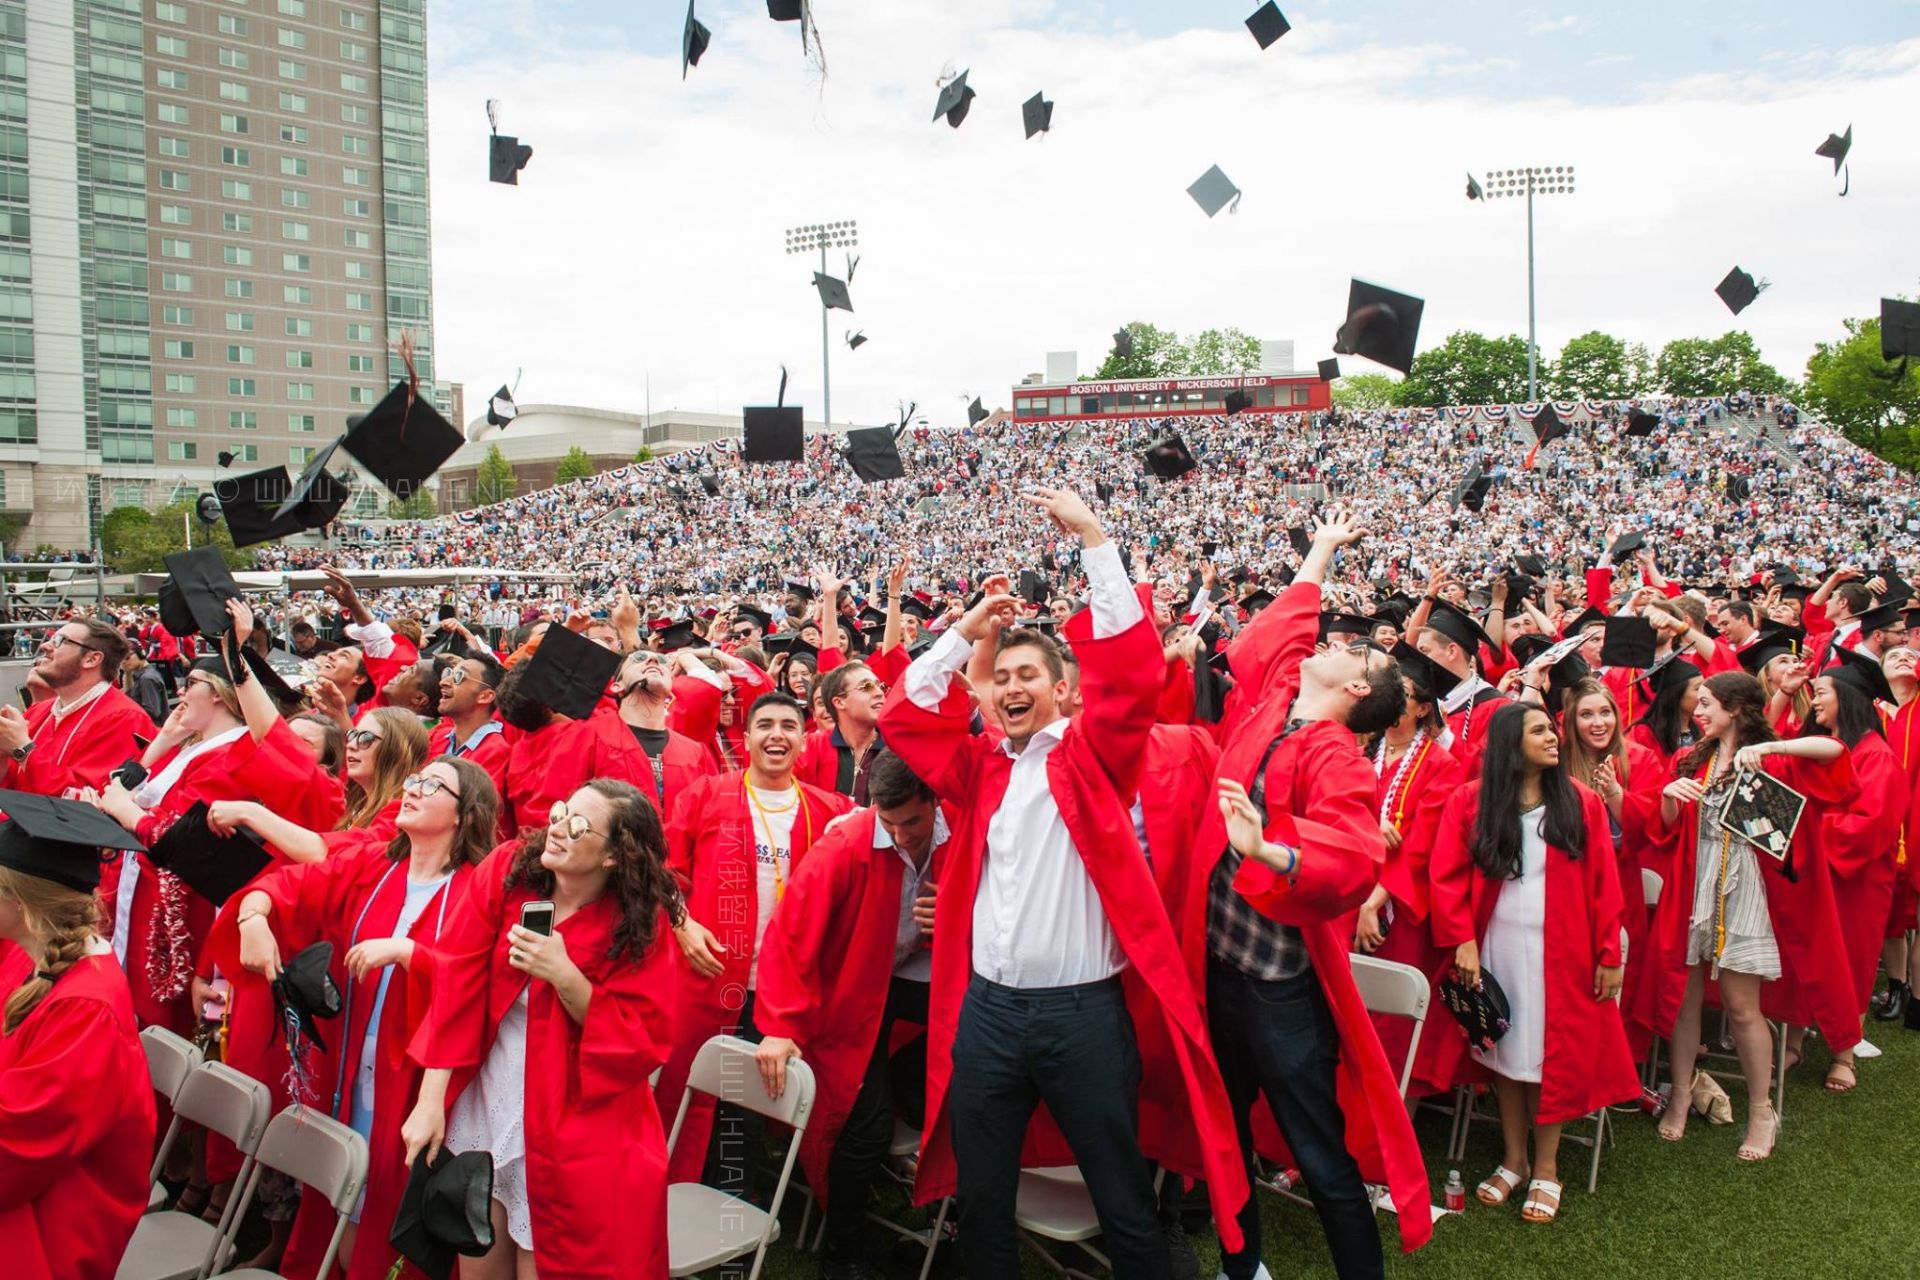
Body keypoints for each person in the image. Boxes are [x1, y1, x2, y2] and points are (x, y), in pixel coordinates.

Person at [880, 487, 1249, 1279]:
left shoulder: (1093, 760)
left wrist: (1092, 538)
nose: (1011, 688)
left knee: (1120, 1195)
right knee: (982, 1199)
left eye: (1027, 676)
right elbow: (904, 716)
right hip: (988, 1012)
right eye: (1001, 676)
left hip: (1082, 1015)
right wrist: (963, 634)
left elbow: (1134, 676)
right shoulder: (977, 769)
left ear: (1062, 691)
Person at [1178, 509, 1430, 1280]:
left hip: (1278, 989)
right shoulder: (1274, 703)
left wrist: (1272, 850)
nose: (1331, 642)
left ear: (1357, 687)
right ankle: (1243, 1265)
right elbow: (1279, 637)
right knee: (1226, 1133)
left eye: (1351, 650)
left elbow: (1354, 856)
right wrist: (1320, 548)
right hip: (1220, 962)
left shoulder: (1335, 753)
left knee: (1318, 1149)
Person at [213, 757, 499, 1280]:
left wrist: (409, 954)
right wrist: (254, 915)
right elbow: (292, 884)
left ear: (465, 814)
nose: (413, 789)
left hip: (417, 1081)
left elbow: (481, 980)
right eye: (414, 780)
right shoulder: (373, 864)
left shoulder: (478, 889)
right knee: (340, 1201)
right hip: (349, 1068)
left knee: (385, 1210)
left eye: (433, 786)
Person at [401, 780, 682, 1280]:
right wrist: (430, 1099)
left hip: (576, 1128)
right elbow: (456, 981)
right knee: (478, 1262)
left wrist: (566, 975)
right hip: (490, 1106)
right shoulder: (511, 873)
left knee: (550, 1262)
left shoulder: (639, 923)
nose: (557, 828)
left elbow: (642, 1040)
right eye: (560, 811)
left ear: (614, 856)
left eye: (578, 825)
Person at [1430, 703, 1638, 1223]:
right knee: (1506, 1059)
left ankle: (1547, 1168)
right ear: (1509, 744)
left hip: (1563, 953)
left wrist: (1610, 954)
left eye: (1552, 728)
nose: (1554, 736)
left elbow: (1604, 885)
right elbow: (1447, 874)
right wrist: (1461, 939)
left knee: (1550, 1060)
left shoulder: (1580, 803)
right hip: (1496, 946)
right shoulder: (1471, 802)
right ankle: (1514, 1159)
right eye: (1539, 730)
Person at [1644, 672, 1856, 1160]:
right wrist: (1669, 798)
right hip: (1695, 887)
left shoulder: (1775, 759)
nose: (1698, 711)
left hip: (1747, 891)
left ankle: (1762, 1109)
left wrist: (1774, 752)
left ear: (1737, 708)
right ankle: (1679, 1092)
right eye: (1697, 703)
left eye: (1708, 704)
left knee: (1742, 1007)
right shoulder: (1689, 758)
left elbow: (1837, 757)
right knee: (1686, 1000)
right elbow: (1666, 830)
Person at [752, 749, 944, 1279]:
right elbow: (790, 933)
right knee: (865, 1125)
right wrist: (782, 1025)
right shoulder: (847, 842)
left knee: (972, 1075)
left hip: (914, 982)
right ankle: (842, 1254)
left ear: (935, 801)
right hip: (848, 995)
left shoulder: (964, 832)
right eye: (890, 823)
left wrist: (956, 915)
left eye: (913, 822)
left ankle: (946, 1216)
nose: (902, 836)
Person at [659, 691, 849, 1189]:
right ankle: (668, 1196)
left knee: (747, 1103)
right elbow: (663, 875)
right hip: (707, 977)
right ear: (746, 739)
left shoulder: (830, 811)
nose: (777, 735)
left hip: (780, 991)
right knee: (686, 1092)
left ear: (802, 743)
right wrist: (682, 924)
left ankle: (733, 1210)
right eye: (765, 725)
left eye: (789, 726)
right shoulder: (704, 794)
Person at [0, 795, 157, 1280]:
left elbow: (20, 1144)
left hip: (49, 1226)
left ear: (23, 905)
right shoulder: (27, 953)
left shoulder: (86, 1006)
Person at [1351, 648, 1464, 1100]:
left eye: (1407, 695)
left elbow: (1420, 846)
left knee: (1392, 1024)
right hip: (1347, 897)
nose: (1396, 703)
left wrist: (1374, 903)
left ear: (1423, 708)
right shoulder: (1361, 753)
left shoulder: (1441, 766)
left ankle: (1390, 1121)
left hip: (1397, 910)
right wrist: (1365, 826)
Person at [1799, 653, 1907, 1091]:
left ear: (1846, 697)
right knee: (1806, 954)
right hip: (1817, 873)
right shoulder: (1828, 746)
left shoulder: (1876, 756)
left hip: (1855, 881)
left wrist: (1805, 830)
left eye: (1821, 692)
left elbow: (1868, 825)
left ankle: (1845, 1054)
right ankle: (1795, 1042)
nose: (1814, 700)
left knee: (1850, 961)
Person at [1558, 677, 1667, 1053]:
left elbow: (1653, 826)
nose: (1598, 722)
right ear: (1572, 721)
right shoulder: (1556, 759)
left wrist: (1617, 797)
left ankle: (1611, 1056)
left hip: (1619, 885)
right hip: (1565, 885)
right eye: (1586, 714)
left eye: (1605, 712)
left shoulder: (1639, 759)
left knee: (1615, 971)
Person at [0, 618, 156, 798]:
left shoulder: (124, 718)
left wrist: (22, 748)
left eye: (59, 641)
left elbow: (84, 801)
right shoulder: (39, 711)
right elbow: (12, 784)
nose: (45, 646)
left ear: (92, 658)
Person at [603, 647, 717, 820]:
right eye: (639, 658)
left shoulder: (696, 753)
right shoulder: (591, 738)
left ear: (671, 687)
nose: (654, 661)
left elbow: (713, 819)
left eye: (662, 660)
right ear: (616, 685)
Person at [798, 660, 887, 802]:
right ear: (839, 702)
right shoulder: (811, 747)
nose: (879, 693)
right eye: (867, 686)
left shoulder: (897, 749)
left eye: (880, 686)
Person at [430, 654, 510, 772]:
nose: (443, 682)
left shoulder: (494, 751)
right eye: (448, 673)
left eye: (459, 676)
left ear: (485, 696)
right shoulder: (439, 738)